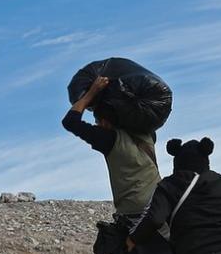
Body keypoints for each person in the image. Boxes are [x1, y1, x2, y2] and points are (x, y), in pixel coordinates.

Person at [62, 76, 161, 224]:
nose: (97, 125)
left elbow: (70, 122)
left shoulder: (108, 140)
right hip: (160, 205)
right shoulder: (147, 135)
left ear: (105, 122)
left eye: (97, 121)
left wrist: (92, 92)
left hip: (134, 212)